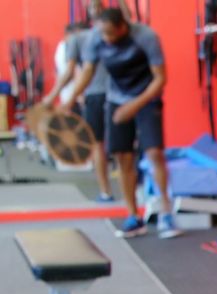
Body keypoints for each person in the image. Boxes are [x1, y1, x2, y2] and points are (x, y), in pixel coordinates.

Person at [65, 8, 179, 239]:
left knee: (154, 153)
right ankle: (133, 216)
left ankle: (167, 213)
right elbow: (87, 71)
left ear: (122, 27)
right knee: (122, 157)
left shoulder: (146, 37)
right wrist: (68, 100)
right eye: (103, 33)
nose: (106, 38)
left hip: (146, 97)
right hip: (116, 99)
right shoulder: (97, 37)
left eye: (110, 33)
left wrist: (134, 106)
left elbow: (160, 78)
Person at [44, 4, 119, 203]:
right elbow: (72, 72)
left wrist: (55, 97)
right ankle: (109, 191)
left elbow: (69, 73)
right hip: (104, 95)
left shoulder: (106, 35)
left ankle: (109, 191)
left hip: (108, 95)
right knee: (107, 145)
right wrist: (59, 97)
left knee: (107, 146)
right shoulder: (87, 37)